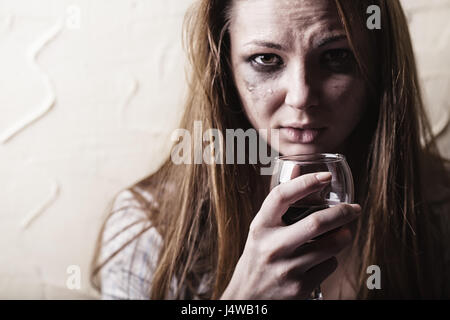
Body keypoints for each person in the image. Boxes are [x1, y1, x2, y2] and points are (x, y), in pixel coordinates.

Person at [91, 0, 450, 299]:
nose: (301, 97)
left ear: (380, 63)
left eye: (336, 57)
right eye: (266, 59)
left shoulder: (440, 211)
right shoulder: (152, 229)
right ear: (224, 67)